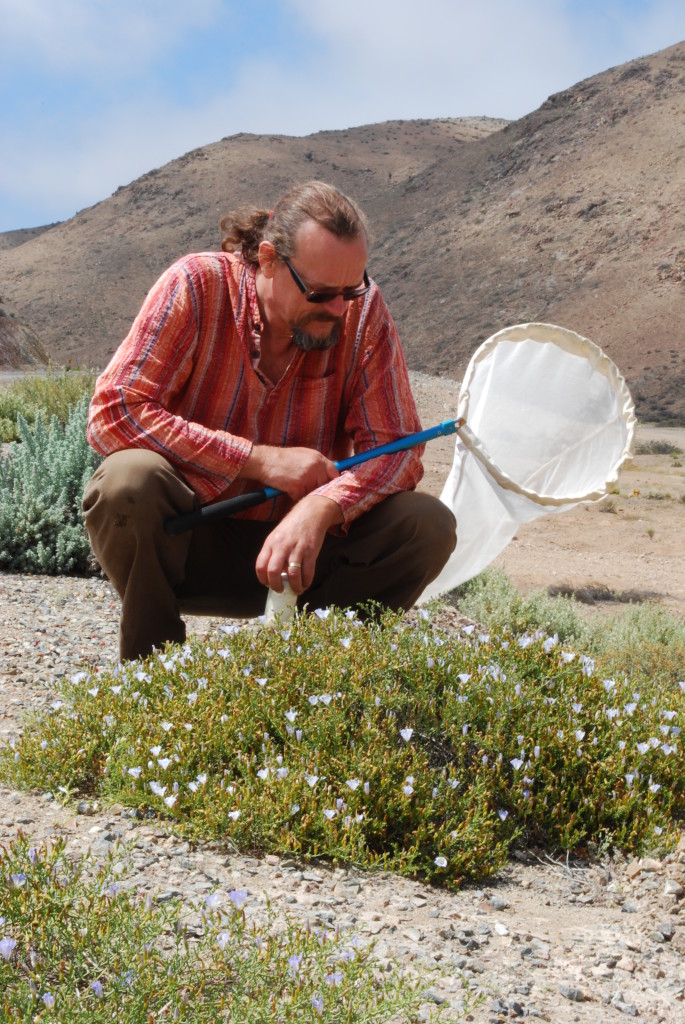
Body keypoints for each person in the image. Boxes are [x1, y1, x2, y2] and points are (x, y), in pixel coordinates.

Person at [83, 180, 456, 661]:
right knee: (126, 481)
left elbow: (399, 450)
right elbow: (115, 412)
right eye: (321, 293)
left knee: (425, 525)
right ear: (269, 260)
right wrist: (259, 461)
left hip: (305, 557)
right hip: (191, 542)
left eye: (351, 289)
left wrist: (321, 509)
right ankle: (152, 681)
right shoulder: (196, 286)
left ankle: (314, 683)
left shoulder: (362, 313)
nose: (340, 309)